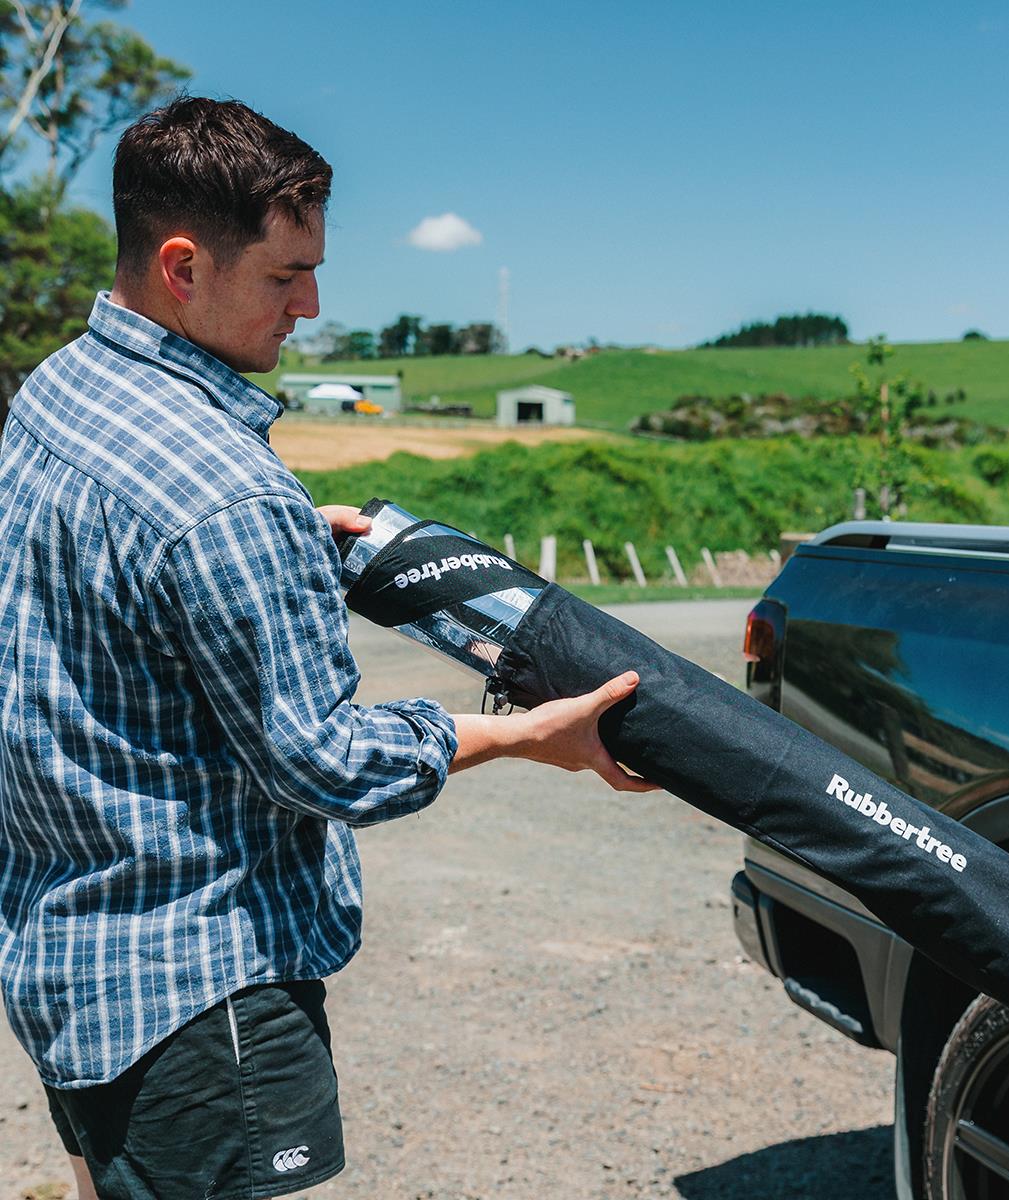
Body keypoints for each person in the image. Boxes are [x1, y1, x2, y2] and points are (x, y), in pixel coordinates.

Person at [0, 96, 652, 1200]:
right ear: (181, 267)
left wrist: (287, 539)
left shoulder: (58, 392)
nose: (312, 304)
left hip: (69, 962)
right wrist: (527, 734)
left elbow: (101, 561)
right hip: (201, 996)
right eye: (284, 275)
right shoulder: (223, 495)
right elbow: (326, 761)